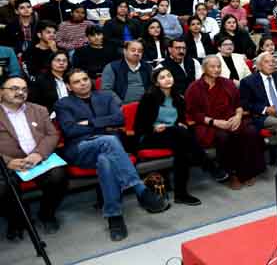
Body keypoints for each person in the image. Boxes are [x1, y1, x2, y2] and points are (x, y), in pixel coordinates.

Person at [55, 69, 170, 241]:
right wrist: (103, 126)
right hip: (81, 149)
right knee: (108, 140)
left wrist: (89, 123)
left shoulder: (106, 97)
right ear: (68, 86)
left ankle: (114, 216)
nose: (83, 83)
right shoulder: (63, 104)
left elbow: (118, 119)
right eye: (77, 81)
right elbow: (70, 130)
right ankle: (140, 189)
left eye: (85, 79)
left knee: (105, 161)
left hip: (109, 149)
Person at [134, 68, 229, 206]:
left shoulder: (178, 98)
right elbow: (139, 126)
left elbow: (181, 119)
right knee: (181, 135)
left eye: (169, 75)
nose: (167, 79)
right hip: (151, 136)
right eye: (162, 77)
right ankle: (209, 166)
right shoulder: (149, 98)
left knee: (181, 148)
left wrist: (181, 123)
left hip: (174, 135)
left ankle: (181, 194)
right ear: (156, 83)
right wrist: (153, 127)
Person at [0, 76, 67, 239]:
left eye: (24, 89)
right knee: (3, 186)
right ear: (1, 92)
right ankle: (17, 220)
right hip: (7, 164)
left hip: (38, 159)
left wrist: (39, 154)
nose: (20, 92)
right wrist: (8, 162)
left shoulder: (39, 110)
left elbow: (52, 134)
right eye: (14, 88)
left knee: (59, 175)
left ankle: (46, 214)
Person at [185, 57, 266, 190]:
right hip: (209, 124)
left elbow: (238, 104)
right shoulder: (194, 87)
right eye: (212, 67)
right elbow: (193, 113)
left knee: (251, 132)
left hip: (231, 119)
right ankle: (232, 174)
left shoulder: (227, 83)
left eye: (219, 66)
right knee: (224, 137)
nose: (216, 69)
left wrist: (238, 116)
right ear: (204, 69)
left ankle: (247, 172)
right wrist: (215, 122)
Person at [101, 40, 152, 104]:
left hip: (145, 104)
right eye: (133, 50)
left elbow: (152, 87)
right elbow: (106, 90)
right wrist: (120, 104)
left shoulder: (148, 67)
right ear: (125, 51)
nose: (136, 53)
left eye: (139, 51)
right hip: (121, 105)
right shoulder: (112, 67)